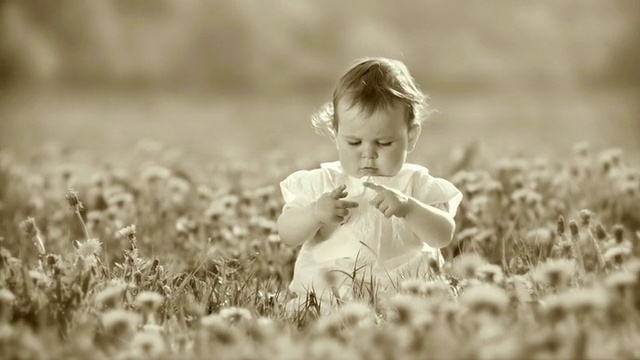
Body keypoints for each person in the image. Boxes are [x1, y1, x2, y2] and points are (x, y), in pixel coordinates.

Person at [277, 57, 463, 311]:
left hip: (404, 290)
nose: (368, 153)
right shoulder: (322, 182)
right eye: (354, 143)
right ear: (335, 134)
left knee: (430, 308)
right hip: (330, 292)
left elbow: (443, 235)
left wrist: (410, 208)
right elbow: (287, 234)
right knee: (314, 309)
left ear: (411, 136)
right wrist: (314, 213)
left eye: (384, 143)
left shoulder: (417, 183)